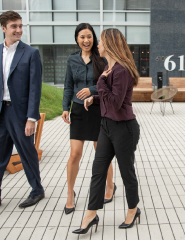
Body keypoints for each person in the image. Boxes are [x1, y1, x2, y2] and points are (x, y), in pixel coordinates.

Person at [0, 11, 44, 216]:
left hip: (20, 114)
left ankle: (37, 190)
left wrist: (32, 118)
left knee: (27, 154)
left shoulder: (31, 53)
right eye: (14, 26)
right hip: (0, 113)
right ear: (3, 28)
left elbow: (34, 89)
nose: (19, 30)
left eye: (20, 26)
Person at [72, 28, 141, 234]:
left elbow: (116, 103)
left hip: (124, 129)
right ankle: (91, 214)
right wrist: (95, 97)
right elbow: (110, 97)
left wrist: (100, 83)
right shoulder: (111, 67)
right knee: (98, 171)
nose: (97, 45)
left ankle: (133, 209)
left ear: (109, 44)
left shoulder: (120, 70)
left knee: (126, 171)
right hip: (107, 127)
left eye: (100, 41)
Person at [61, 23, 116, 215]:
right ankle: (70, 193)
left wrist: (92, 90)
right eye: (82, 37)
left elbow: (110, 84)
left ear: (94, 38)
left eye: (90, 37)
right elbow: (68, 85)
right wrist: (64, 108)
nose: (86, 40)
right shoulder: (71, 60)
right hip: (77, 110)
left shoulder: (102, 58)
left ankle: (110, 186)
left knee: (100, 151)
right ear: (77, 38)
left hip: (98, 109)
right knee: (75, 154)